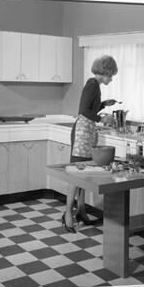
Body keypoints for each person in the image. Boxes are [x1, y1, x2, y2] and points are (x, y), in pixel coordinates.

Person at [62, 55, 118, 233]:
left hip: (87, 132)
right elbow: (84, 111)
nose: (112, 78)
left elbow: (90, 107)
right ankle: (67, 215)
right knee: (75, 175)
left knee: (83, 173)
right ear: (105, 72)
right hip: (81, 133)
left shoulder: (95, 86)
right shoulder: (92, 85)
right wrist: (102, 117)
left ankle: (81, 210)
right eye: (111, 75)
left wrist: (102, 105)